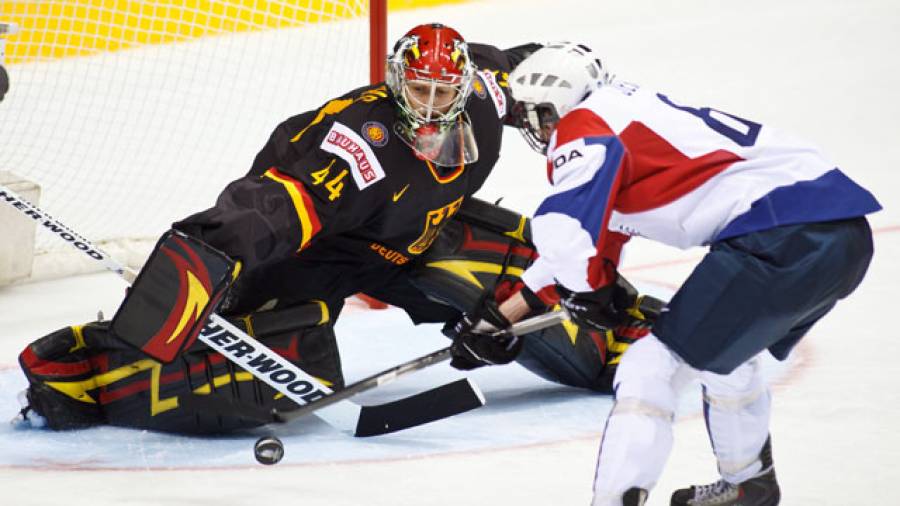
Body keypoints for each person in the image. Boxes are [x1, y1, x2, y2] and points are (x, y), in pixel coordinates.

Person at [14, 27, 646, 434]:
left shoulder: (481, 93)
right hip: (319, 258)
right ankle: (80, 372)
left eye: (441, 91)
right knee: (268, 379)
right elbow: (268, 207)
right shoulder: (358, 149)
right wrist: (208, 259)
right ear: (397, 84)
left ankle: (631, 342)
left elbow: (519, 62)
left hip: (418, 242)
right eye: (417, 90)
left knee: (531, 272)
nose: (430, 104)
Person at [445, 42, 880, 506]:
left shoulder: (582, 127)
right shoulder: (625, 114)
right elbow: (589, 242)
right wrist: (503, 316)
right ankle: (749, 486)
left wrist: (592, 291)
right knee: (724, 353)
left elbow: (567, 234)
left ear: (554, 105)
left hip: (781, 236)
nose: (538, 129)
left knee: (649, 366)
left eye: (537, 116)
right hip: (841, 237)